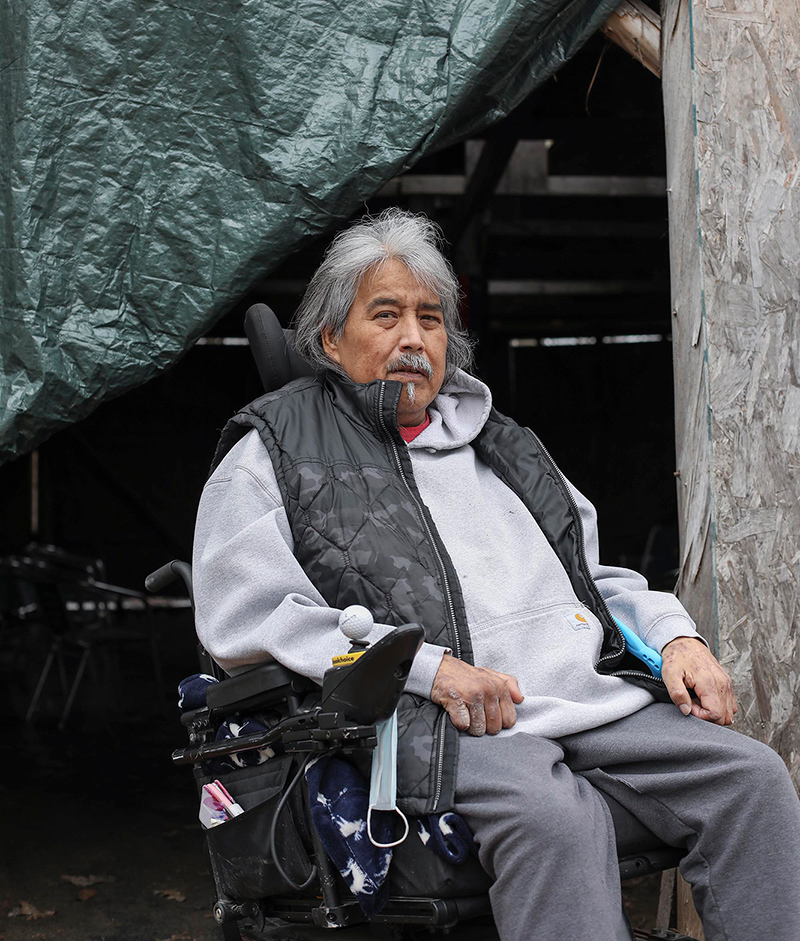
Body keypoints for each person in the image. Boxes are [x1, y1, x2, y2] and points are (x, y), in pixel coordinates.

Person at [193, 208, 800, 941]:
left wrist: (677, 637)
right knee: (555, 819)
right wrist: (427, 669)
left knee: (751, 780)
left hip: (585, 698)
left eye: (431, 318)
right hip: (441, 720)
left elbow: (591, 576)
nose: (413, 338)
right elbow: (243, 619)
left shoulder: (505, 446)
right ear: (329, 338)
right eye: (385, 315)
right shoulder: (273, 452)